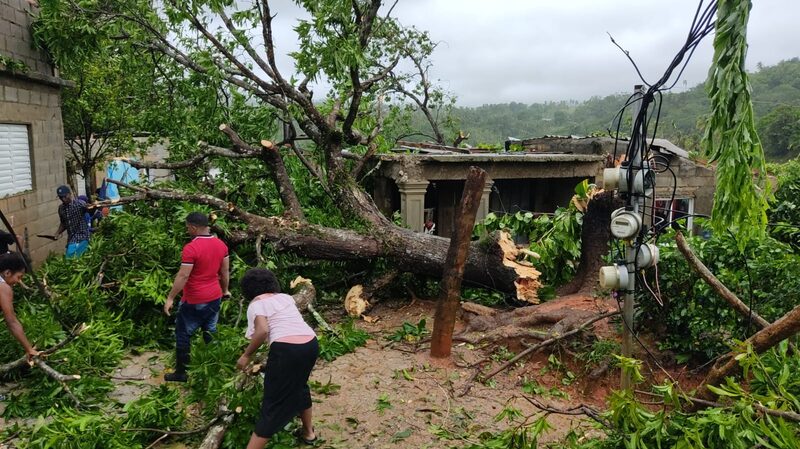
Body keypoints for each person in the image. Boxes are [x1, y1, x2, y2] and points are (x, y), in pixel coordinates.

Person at [237, 268, 319, 448]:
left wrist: (246, 355)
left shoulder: (256, 305)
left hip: (287, 350)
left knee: (273, 404)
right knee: (300, 386)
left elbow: (263, 331)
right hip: (311, 344)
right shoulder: (285, 297)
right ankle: (309, 433)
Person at [163, 212, 230, 382]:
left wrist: (171, 297)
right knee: (210, 331)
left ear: (193, 227)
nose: (187, 230)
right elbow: (224, 272)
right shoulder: (221, 245)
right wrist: (225, 290)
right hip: (214, 296)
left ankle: (181, 373)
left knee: (183, 334)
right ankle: (213, 369)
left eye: (187, 227)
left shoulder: (191, 248)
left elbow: (183, 276)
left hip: (194, 299)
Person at [0, 252, 39, 362]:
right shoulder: (3, 287)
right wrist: (29, 349)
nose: (18, 281)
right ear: (7, 273)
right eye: (19, 277)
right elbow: (11, 321)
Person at [54, 185, 90, 258]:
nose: (63, 199)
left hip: (82, 237)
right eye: (61, 197)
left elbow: (90, 209)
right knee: (69, 261)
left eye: (64, 196)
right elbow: (64, 223)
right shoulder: (61, 209)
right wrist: (58, 232)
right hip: (71, 239)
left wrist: (92, 207)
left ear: (69, 194)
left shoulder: (79, 204)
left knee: (78, 260)